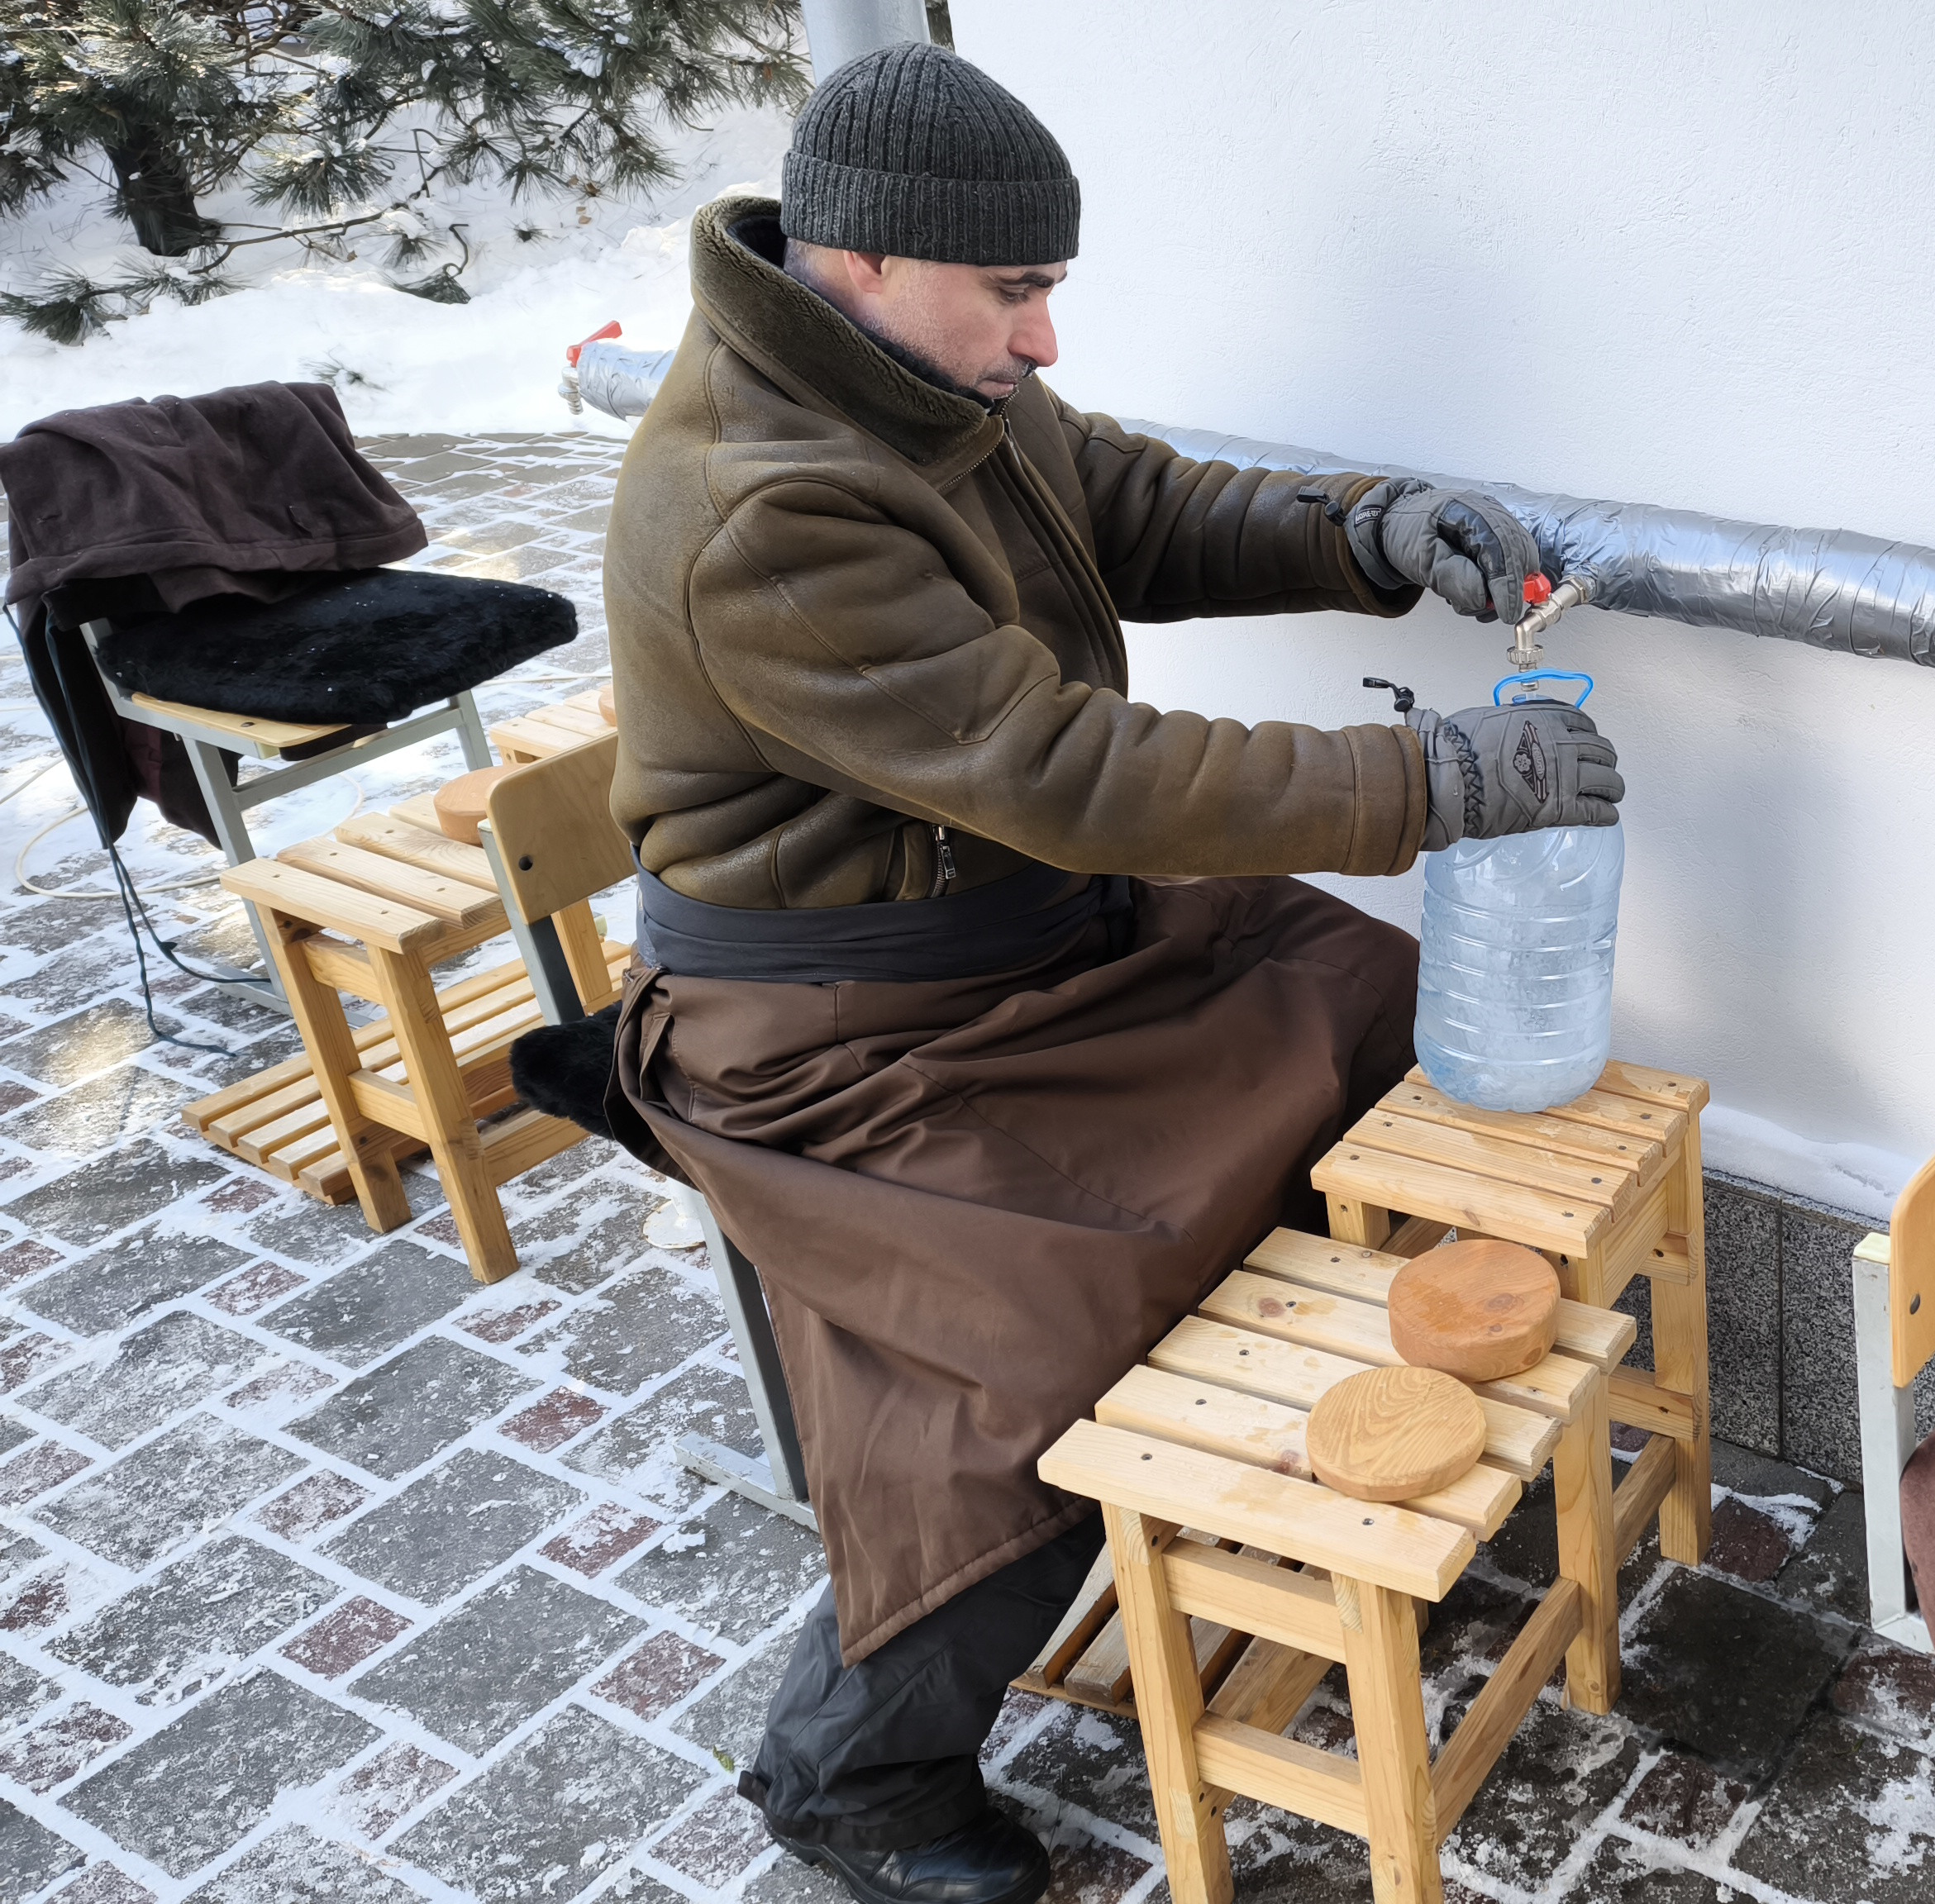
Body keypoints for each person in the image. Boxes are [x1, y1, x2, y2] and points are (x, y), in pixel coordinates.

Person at [599, 44, 1623, 1904]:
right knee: (1032, 1371)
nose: (1046, 339)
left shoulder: (915, 379)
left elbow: (1129, 508)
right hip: (843, 1035)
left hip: (1033, 944)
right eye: (1017, 291)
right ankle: (854, 1772)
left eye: (1047, 289)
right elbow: (1074, 772)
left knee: (1371, 1017)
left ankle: (1332, 1478)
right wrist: (1437, 781)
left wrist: (1361, 534)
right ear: (869, 259)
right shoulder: (772, 507)